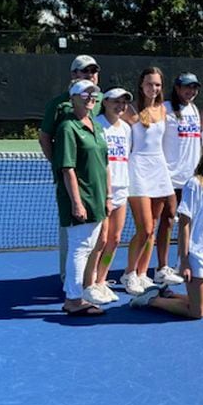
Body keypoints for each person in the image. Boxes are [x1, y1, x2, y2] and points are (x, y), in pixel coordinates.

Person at [130, 134, 203, 318]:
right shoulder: (194, 184)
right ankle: (152, 301)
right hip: (198, 257)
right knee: (197, 312)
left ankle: (167, 294)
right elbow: (184, 224)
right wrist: (184, 261)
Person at [38, 54, 101, 282]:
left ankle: (92, 279)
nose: (90, 75)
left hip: (96, 179)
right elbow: (45, 137)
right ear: (74, 74)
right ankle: (70, 280)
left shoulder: (101, 100)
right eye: (85, 71)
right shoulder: (58, 104)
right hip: (71, 178)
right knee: (73, 232)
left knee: (97, 232)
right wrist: (61, 166)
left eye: (93, 71)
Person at [53, 80, 110, 316]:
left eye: (93, 94)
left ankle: (75, 295)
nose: (90, 97)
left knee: (87, 247)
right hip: (81, 198)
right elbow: (68, 169)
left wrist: (107, 196)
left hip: (98, 198)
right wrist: (77, 202)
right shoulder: (68, 128)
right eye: (85, 94)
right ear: (73, 98)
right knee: (80, 248)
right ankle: (73, 300)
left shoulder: (95, 126)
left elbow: (105, 165)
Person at [121, 67, 176, 296]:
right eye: (149, 84)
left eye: (157, 85)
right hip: (138, 170)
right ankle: (129, 273)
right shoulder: (130, 111)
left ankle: (143, 274)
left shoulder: (163, 110)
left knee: (153, 226)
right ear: (141, 85)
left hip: (159, 169)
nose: (153, 88)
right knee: (144, 227)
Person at [82, 88, 132, 305]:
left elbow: (126, 156)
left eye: (124, 102)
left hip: (123, 189)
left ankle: (101, 281)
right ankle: (88, 284)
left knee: (115, 239)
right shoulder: (98, 124)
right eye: (116, 102)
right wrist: (104, 192)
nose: (120, 106)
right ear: (106, 102)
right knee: (100, 240)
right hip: (102, 191)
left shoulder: (127, 129)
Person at [154, 72, 202, 286]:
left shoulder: (194, 110)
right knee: (166, 221)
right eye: (186, 87)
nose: (190, 91)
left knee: (188, 222)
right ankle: (161, 267)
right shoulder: (164, 109)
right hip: (169, 177)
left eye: (194, 87)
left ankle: (182, 261)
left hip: (191, 178)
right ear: (177, 88)